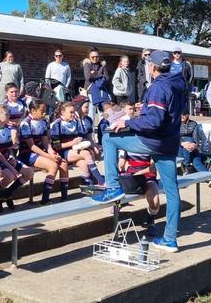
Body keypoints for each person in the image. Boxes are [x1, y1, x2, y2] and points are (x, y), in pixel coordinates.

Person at [96, 50, 184, 253]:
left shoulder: (158, 86)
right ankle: (170, 239)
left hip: (153, 141)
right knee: (172, 192)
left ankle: (112, 187)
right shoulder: (178, 84)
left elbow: (153, 121)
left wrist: (128, 121)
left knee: (109, 138)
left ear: (152, 67)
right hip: (169, 143)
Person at [0, 105, 34, 215]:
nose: (9, 116)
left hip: (7, 158)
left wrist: (12, 156)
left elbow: (9, 148)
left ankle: (7, 193)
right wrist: (11, 167)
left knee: (29, 173)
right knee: (9, 176)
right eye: (6, 114)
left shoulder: (7, 128)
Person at [50, 101, 105, 193]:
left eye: (74, 112)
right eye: (71, 112)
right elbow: (56, 146)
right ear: (63, 112)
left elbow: (82, 137)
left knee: (84, 163)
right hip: (62, 152)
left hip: (73, 151)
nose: (73, 114)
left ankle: (88, 187)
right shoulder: (57, 125)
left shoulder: (74, 122)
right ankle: (101, 180)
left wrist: (83, 142)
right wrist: (72, 143)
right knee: (87, 153)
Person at [18, 100, 63, 205]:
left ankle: (64, 195)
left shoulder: (44, 121)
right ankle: (45, 199)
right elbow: (32, 146)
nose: (44, 113)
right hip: (27, 154)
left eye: (45, 110)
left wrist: (52, 153)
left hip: (40, 153)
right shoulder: (25, 123)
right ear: (33, 110)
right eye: (42, 110)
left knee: (62, 162)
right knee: (53, 165)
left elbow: (46, 143)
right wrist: (49, 156)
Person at [83, 48, 110, 120]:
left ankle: (102, 129)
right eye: (93, 57)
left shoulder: (102, 65)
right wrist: (100, 75)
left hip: (101, 92)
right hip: (90, 92)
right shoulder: (87, 65)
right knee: (91, 114)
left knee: (102, 113)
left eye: (97, 57)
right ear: (89, 57)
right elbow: (88, 78)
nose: (95, 58)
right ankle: (90, 131)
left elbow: (107, 78)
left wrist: (94, 73)